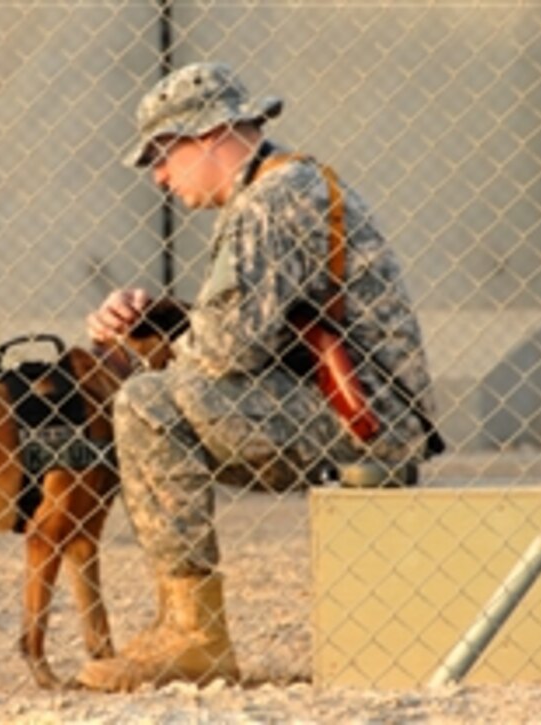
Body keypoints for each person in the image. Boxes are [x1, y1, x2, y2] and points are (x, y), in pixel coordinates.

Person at [78, 62, 440, 691]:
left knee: (145, 403)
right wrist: (157, 319)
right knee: (155, 397)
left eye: (163, 154)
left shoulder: (273, 201)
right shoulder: (276, 188)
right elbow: (243, 334)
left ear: (211, 134)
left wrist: (155, 343)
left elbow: (221, 352)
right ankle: (186, 627)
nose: (159, 176)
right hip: (350, 405)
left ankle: (194, 636)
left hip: (367, 419)